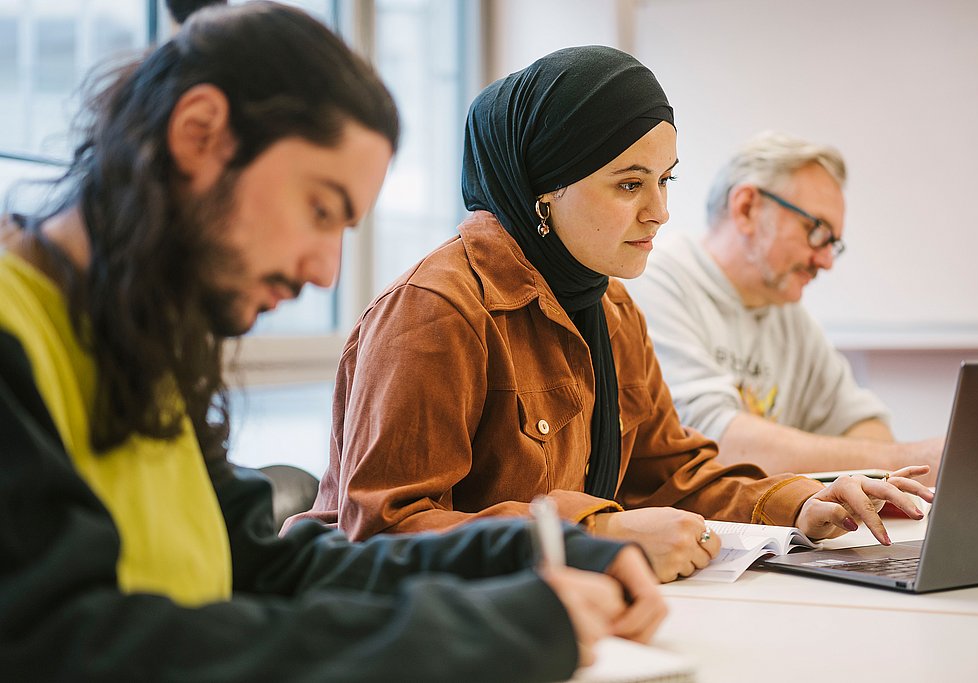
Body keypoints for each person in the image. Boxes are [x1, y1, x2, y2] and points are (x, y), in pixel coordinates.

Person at [0, 5, 667, 680]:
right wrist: (473, 633)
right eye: (320, 210)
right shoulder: (14, 336)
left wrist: (535, 553)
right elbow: (69, 644)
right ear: (198, 134)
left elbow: (272, 566)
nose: (325, 269)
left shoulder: (130, 347)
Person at [292, 46, 933, 583]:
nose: (659, 211)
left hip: (541, 617)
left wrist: (802, 500)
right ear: (544, 189)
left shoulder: (611, 308)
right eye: (630, 184)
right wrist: (596, 534)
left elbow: (670, 473)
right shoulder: (437, 312)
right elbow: (385, 534)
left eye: (665, 180)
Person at [625, 131, 943, 479]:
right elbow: (712, 444)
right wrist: (903, 461)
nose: (825, 261)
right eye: (817, 230)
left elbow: (862, 424)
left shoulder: (787, 313)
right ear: (746, 208)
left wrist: (881, 463)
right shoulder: (654, 282)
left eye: (832, 243)